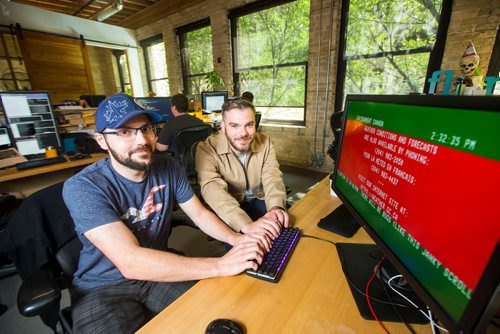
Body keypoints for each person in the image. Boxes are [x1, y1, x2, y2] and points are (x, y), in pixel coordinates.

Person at [62, 93, 269, 333]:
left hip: (160, 272)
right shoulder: (84, 186)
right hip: (102, 288)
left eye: (146, 128)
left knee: (222, 316)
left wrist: (237, 240)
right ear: (101, 140)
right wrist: (221, 265)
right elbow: (131, 262)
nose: (141, 139)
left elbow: (199, 214)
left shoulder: (168, 166)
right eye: (124, 132)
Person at [195, 98, 289, 240]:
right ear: (223, 126)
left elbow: (272, 176)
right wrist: (245, 225)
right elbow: (213, 190)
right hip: (230, 205)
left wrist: (276, 207)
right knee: (245, 249)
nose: (243, 133)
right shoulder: (206, 149)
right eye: (234, 126)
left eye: (249, 125)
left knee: (283, 235)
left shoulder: (265, 142)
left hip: (260, 199)